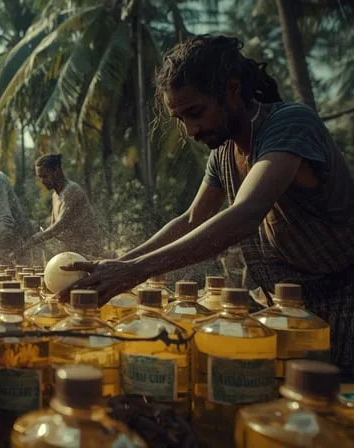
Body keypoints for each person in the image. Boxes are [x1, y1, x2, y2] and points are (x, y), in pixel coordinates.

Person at [63, 35, 354, 375]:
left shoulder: (290, 125)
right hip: (287, 312)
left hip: (342, 306)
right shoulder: (223, 155)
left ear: (232, 89)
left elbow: (245, 214)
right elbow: (190, 219)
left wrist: (134, 272)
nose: (190, 130)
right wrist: (117, 265)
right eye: (180, 119)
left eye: (195, 113)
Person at [16, 154, 100, 259]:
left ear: (56, 171)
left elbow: (58, 227)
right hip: (69, 253)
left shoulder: (71, 191)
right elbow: (53, 228)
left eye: (45, 176)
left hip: (87, 254)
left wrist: (34, 240)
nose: (42, 181)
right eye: (40, 177)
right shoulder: (55, 195)